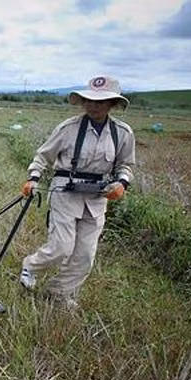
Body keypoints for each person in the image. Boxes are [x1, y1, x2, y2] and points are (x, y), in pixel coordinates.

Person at [19, 75, 135, 309]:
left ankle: (59, 294)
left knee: (84, 256)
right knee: (62, 247)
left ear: (112, 104)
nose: (93, 106)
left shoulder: (123, 133)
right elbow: (43, 156)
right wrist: (33, 178)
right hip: (65, 192)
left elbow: (126, 165)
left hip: (97, 198)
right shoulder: (68, 128)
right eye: (89, 101)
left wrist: (122, 184)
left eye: (100, 102)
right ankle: (30, 267)